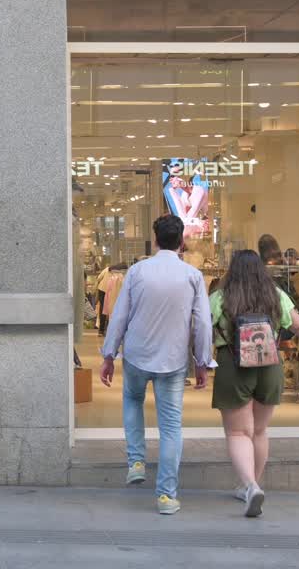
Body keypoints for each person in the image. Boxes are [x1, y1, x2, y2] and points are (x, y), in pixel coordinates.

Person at [210, 249, 299, 518]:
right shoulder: (275, 295)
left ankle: (250, 486)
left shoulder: (220, 297)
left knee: (238, 433)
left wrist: (198, 362)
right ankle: (253, 484)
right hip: (269, 364)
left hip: (233, 364)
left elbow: (201, 328)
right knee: (260, 431)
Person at [99, 214, 214, 516]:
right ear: (181, 241)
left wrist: (109, 354)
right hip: (173, 359)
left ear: (155, 237)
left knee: (132, 399)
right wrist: (202, 362)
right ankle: (166, 495)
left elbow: (120, 315)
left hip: (137, 354)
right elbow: (203, 323)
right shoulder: (192, 276)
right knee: (171, 426)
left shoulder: (137, 272)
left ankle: (136, 461)